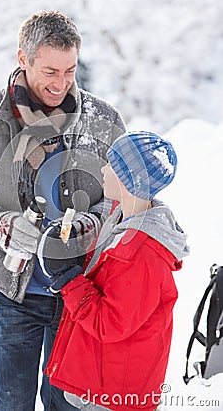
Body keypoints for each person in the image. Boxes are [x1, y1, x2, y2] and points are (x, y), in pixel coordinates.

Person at [0, 10, 125, 411]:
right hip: (14, 295)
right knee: (13, 404)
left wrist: (98, 220)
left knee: (68, 404)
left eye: (70, 71)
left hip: (82, 294)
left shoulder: (103, 119)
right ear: (23, 59)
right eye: (50, 71)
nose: (61, 83)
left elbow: (123, 193)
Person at [41, 131, 190, 411]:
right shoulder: (122, 219)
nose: (103, 169)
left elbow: (111, 323)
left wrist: (68, 280)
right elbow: (108, 279)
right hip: (102, 378)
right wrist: (76, 251)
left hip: (114, 395)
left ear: (127, 178)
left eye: (111, 163)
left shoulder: (143, 251)